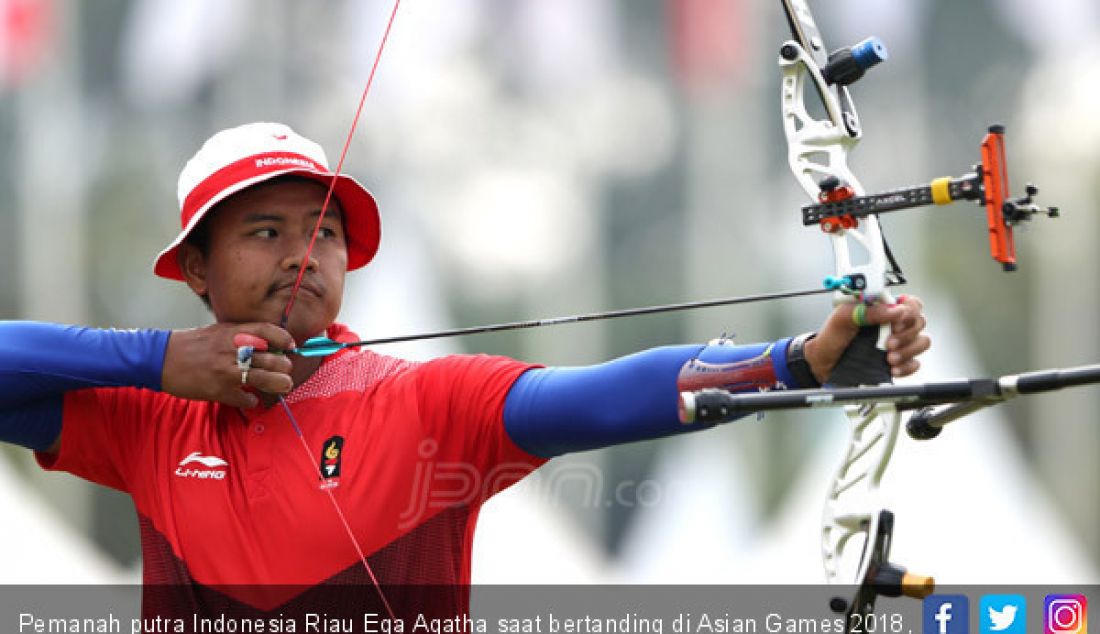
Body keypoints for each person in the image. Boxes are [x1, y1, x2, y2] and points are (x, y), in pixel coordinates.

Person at [0, 122, 929, 623]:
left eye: (324, 231)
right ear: (195, 271)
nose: (304, 254)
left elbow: (591, 398)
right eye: (265, 231)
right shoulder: (144, 418)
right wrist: (158, 360)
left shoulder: (419, 401)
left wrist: (791, 361)